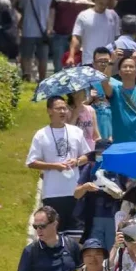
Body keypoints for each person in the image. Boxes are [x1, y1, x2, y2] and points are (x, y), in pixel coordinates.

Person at [28, 95, 92, 233]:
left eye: (64, 108)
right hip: (52, 193)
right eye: (58, 109)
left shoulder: (76, 132)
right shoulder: (41, 134)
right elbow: (31, 162)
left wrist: (76, 161)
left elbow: (87, 155)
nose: (63, 112)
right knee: (54, 233)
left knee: (76, 234)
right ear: (49, 111)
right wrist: (54, 166)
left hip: (75, 191)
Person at [73, 140, 122, 249]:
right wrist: (85, 187)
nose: (100, 156)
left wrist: (118, 194)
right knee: (95, 249)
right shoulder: (90, 168)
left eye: (104, 154)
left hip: (114, 218)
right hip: (94, 217)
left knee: (113, 249)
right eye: (98, 154)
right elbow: (76, 194)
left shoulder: (120, 169)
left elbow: (128, 191)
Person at [19, 0, 56, 81]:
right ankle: (42, 79)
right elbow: (51, 14)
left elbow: (21, 8)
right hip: (43, 31)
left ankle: (27, 75)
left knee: (26, 56)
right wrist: (50, 28)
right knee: (42, 58)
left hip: (28, 30)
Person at [71, 0, 121, 66]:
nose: (103, 7)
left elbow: (117, 38)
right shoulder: (83, 15)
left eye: (106, 4)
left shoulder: (113, 15)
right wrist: (71, 56)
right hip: (89, 60)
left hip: (109, 61)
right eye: (101, 3)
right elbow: (76, 37)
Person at [51, 0, 81, 70]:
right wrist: (50, 28)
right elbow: (51, 14)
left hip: (78, 38)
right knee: (59, 68)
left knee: (76, 68)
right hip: (60, 36)